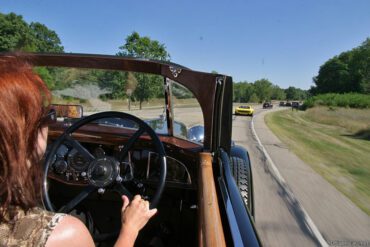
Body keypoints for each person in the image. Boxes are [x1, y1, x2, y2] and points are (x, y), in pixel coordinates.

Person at [0, 57, 157, 246]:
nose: (49, 125)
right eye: (46, 117)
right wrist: (130, 228)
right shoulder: (65, 234)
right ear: (26, 136)